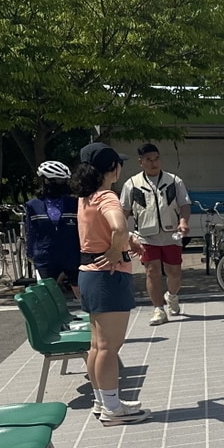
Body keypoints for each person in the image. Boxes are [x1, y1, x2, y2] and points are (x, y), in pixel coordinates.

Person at [73, 143, 150, 426]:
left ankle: (102, 401)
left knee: (97, 345)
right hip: (109, 275)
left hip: (89, 273)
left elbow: (104, 231)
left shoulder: (85, 197)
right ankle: (113, 409)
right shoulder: (107, 196)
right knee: (109, 346)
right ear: (111, 168)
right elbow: (117, 225)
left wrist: (127, 242)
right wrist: (119, 248)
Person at [120, 143, 192, 326]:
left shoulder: (174, 181)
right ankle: (158, 309)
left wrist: (183, 221)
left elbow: (184, 204)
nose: (154, 163)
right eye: (149, 160)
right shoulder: (132, 184)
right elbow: (124, 211)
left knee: (174, 273)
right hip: (146, 235)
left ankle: (172, 295)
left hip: (171, 234)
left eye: (156, 159)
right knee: (151, 271)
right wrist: (125, 234)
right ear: (140, 162)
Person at [24, 160, 81, 302]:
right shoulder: (33, 205)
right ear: (46, 180)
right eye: (59, 180)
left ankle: (95, 322)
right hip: (46, 255)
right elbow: (30, 231)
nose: (63, 183)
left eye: (64, 180)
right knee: (47, 297)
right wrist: (30, 253)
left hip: (71, 254)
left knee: (82, 293)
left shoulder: (74, 203)